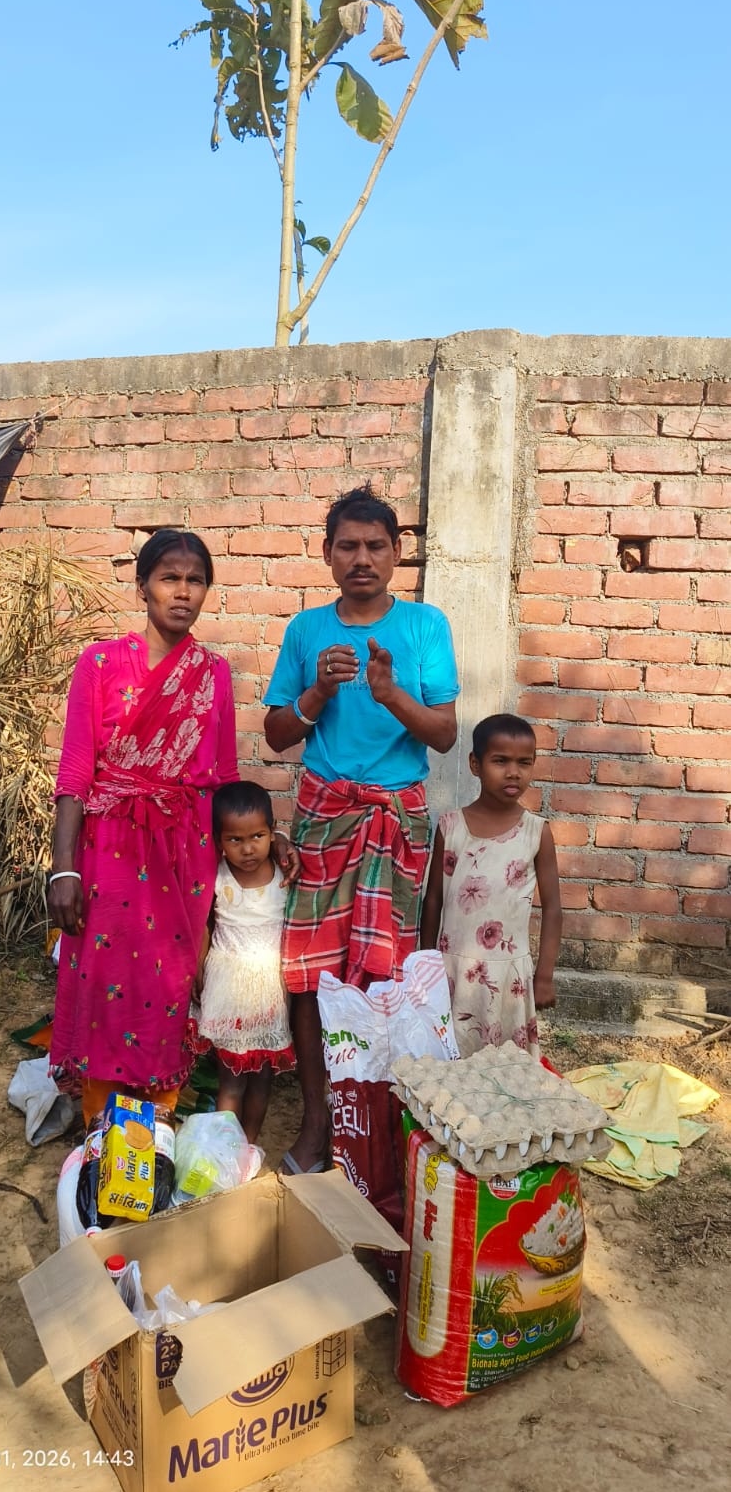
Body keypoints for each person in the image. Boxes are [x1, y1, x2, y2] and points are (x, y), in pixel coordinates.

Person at [46, 529, 295, 1124]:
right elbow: (76, 771)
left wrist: (264, 843)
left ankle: (153, 1122)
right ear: (143, 587)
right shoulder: (100, 664)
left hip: (186, 851)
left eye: (195, 581)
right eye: (169, 579)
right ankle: (102, 1127)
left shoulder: (213, 673)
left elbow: (225, 777)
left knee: (170, 982)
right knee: (108, 979)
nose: (183, 592)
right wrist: (64, 869)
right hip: (110, 846)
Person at [264, 484, 459, 1173]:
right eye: (347, 545)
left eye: (376, 545)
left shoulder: (425, 626)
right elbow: (277, 733)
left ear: (398, 553)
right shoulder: (306, 630)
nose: (362, 558)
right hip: (323, 818)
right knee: (310, 972)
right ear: (327, 554)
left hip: (396, 821)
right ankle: (319, 1122)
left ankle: (373, 1121)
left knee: (385, 973)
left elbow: (444, 735)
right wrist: (318, 691)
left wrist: (389, 693)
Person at [420, 712, 561, 1058]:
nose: (513, 772)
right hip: (454, 971)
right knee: (450, 1062)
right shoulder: (450, 827)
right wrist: (426, 964)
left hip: (509, 973)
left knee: (506, 1066)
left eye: (524, 763)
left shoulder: (536, 832)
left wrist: (544, 976)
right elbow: (433, 899)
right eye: (500, 761)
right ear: (475, 764)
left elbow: (553, 908)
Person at [191, 780, 295, 1143]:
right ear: (219, 840)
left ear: (272, 832)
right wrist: (198, 967)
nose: (248, 848)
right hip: (228, 991)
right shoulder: (217, 875)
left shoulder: (284, 873)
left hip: (270, 995)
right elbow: (206, 925)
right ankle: (224, 1149)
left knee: (262, 1081)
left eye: (258, 836)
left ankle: (247, 1146)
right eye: (235, 839)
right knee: (231, 1083)